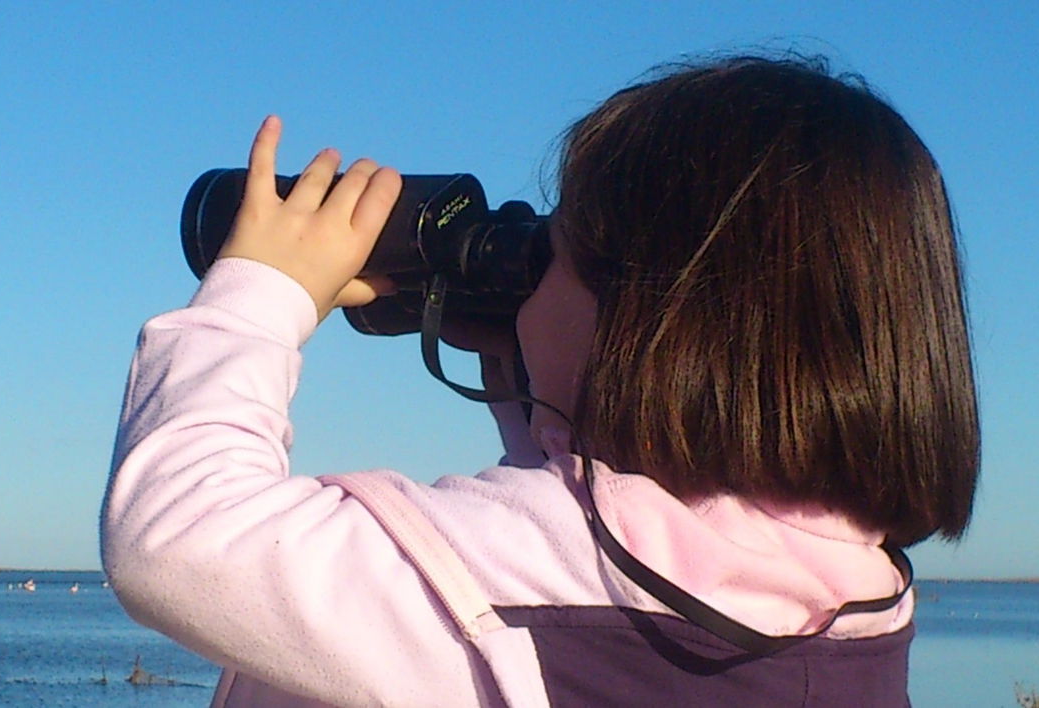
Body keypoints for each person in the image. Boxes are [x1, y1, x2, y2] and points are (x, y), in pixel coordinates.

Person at [100, 55, 979, 706]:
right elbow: (590, 532)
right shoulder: (860, 591)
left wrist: (261, 292)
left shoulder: (532, 586)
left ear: (646, 318)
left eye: (553, 254)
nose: (535, 272)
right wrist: (525, 362)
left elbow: (178, 540)